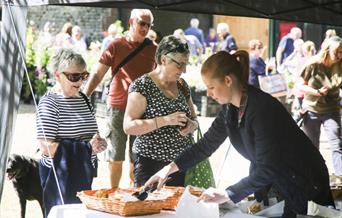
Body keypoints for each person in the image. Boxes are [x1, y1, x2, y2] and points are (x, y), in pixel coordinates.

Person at [145, 50, 335, 217]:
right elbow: (205, 146)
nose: (209, 94)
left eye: (211, 87)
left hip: (306, 183)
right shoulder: (230, 110)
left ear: (228, 80)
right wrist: (167, 169)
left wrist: (229, 193)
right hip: (282, 183)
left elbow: (269, 167)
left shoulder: (261, 109)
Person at [83, 9, 157, 189]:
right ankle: (114, 193)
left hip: (142, 110)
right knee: (115, 156)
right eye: (142, 23)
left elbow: (160, 78)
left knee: (137, 156)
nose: (145, 28)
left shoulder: (154, 49)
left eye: (148, 25)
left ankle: (134, 193)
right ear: (131, 22)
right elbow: (98, 74)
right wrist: (83, 97)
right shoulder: (116, 45)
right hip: (117, 107)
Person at [37, 48, 107, 217]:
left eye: (83, 75)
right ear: (57, 75)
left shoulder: (83, 99)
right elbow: (46, 146)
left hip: (83, 171)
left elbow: (91, 135)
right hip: (61, 176)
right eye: (74, 76)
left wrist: (98, 143)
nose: (80, 81)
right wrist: (85, 147)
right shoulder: (49, 103)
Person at [123, 35, 198, 187]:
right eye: (180, 64)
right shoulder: (143, 86)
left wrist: (191, 125)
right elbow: (128, 126)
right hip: (149, 162)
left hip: (178, 163)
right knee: (148, 208)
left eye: (186, 64)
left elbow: (195, 120)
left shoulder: (182, 85)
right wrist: (166, 120)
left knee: (175, 209)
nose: (184, 70)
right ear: (163, 60)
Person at [300, 36, 342, 176]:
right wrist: (317, 92)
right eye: (336, 52)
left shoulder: (340, 65)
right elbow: (299, 86)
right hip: (312, 109)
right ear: (327, 50)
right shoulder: (313, 64)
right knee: (312, 147)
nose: (339, 55)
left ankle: (341, 176)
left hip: (332, 109)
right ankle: (314, 176)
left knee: (337, 144)